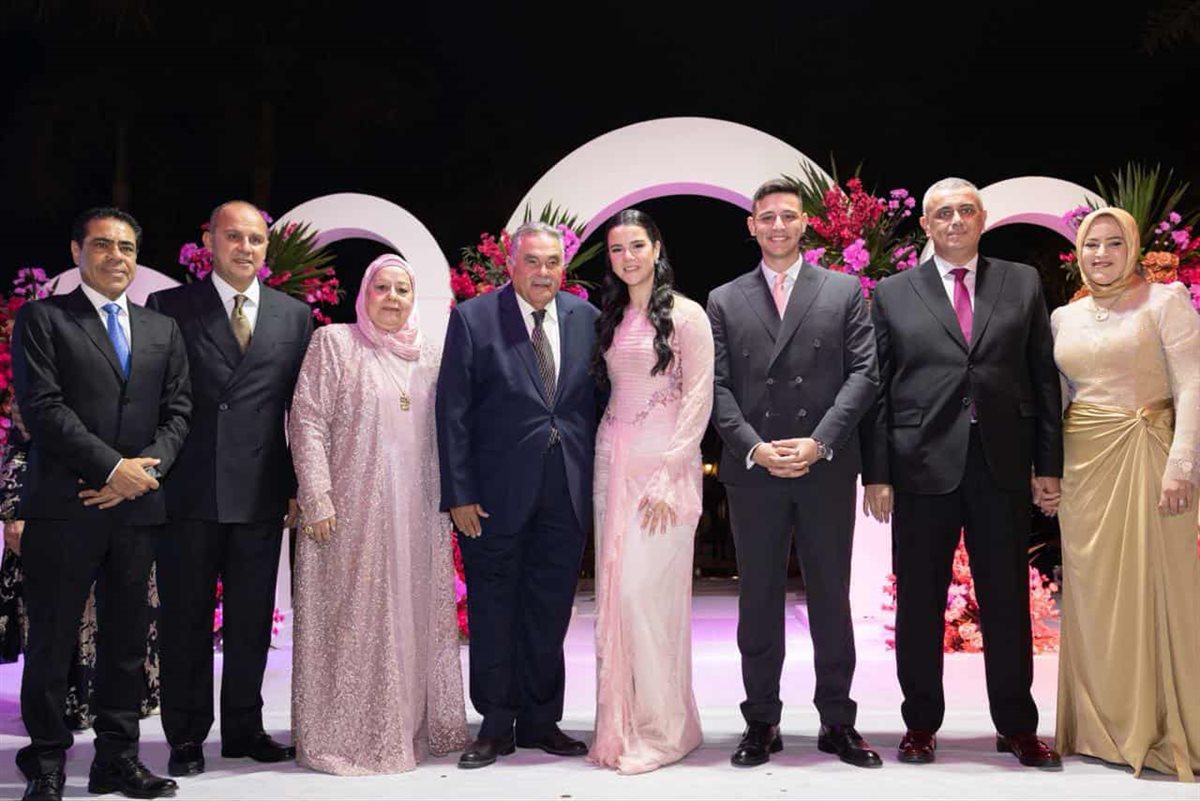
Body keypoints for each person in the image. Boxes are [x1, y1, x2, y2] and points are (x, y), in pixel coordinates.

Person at [861, 177, 1063, 768]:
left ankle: (1017, 727)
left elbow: (1042, 377)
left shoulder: (1021, 282)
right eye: (943, 213)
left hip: (1002, 463)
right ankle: (920, 724)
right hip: (920, 465)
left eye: (966, 211)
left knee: (1006, 600)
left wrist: (1048, 465)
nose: (955, 220)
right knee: (919, 602)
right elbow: (877, 389)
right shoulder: (893, 293)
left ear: (983, 218)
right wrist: (877, 474)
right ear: (925, 224)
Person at [12, 207, 191, 801]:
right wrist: (112, 468)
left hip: (137, 510)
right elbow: (43, 408)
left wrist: (138, 475)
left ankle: (117, 759)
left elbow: (179, 412)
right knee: (52, 641)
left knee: (126, 642)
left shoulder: (162, 329)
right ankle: (46, 761)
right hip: (65, 506)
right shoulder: (43, 318)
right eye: (103, 245)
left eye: (127, 247)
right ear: (76, 252)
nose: (117, 256)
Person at [707, 179, 881, 769]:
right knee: (757, 598)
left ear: (805, 223)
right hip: (755, 470)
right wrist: (754, 448)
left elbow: (864, 373)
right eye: (766, 217)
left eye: (787, 216)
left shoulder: (842, 290)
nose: (777, 226)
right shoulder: (724, 299)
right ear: (751, 226)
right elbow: (716, 386)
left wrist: (820, 441)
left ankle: (838, 720)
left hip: (823, 465)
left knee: (831, 595)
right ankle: (761, 721)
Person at [146, 200, 313, 777]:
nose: (246, 248)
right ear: (209, 242)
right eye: (234, 237)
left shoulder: (294, 315)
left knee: (251, 620)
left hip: (262, 489)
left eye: (256, 239)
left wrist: (297, 483)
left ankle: (244, 729)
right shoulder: (169, 307)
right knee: (186, 621)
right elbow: (158, 402)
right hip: (188, 489)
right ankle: (186, 735)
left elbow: (301, 412)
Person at [287, 254, 469, 774]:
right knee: (354, 616)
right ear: (364, 294)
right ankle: (349, 733)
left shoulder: (430, 354)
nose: (392, 298)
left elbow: (453, 427)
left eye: (402, 290)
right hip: (351, 509)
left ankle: (405, 724)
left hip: (418, 509)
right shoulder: (335, 344)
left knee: (410, 614)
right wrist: (317, 495)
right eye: (381, 288)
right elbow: (307, 420)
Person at [436, 221, 601, 769]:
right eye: (532, 261)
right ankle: (495, 723)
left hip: (566, 491)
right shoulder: (474, 318)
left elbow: (599, 404)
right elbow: (453, 412)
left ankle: (540, 719)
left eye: (552, 262)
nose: (543, 272)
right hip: (492, 496)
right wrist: (459, 493)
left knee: (549, 610)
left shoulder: (586, 318)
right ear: (511, 264)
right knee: (493, 608)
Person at [1050, 207, 1200, 781]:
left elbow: (1192, 385)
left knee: (1157, 589)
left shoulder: (1165, 303)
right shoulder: (1064, 317)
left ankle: (1158, 726)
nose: (1102, 254)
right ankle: (1097, 729)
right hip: (1084, 469)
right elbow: (1060, 397)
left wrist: (1182, 464)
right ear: (1079, 253)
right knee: (1093, 599)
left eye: (1114, 243)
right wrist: (1047, 471)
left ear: (1132, 248)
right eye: (1092, 244)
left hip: (1150, 460)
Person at [588, 210, 713, 774]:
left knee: (647, 598)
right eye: (617, 250)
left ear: (657, 247)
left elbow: (699, 396)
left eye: (637, 245)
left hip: (664, 469)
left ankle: (664, 730)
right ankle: (623, 724)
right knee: (615, 597)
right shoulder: (611, 317)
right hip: (611, 464)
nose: (627, 258)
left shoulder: (688, 315)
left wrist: (670, 472)